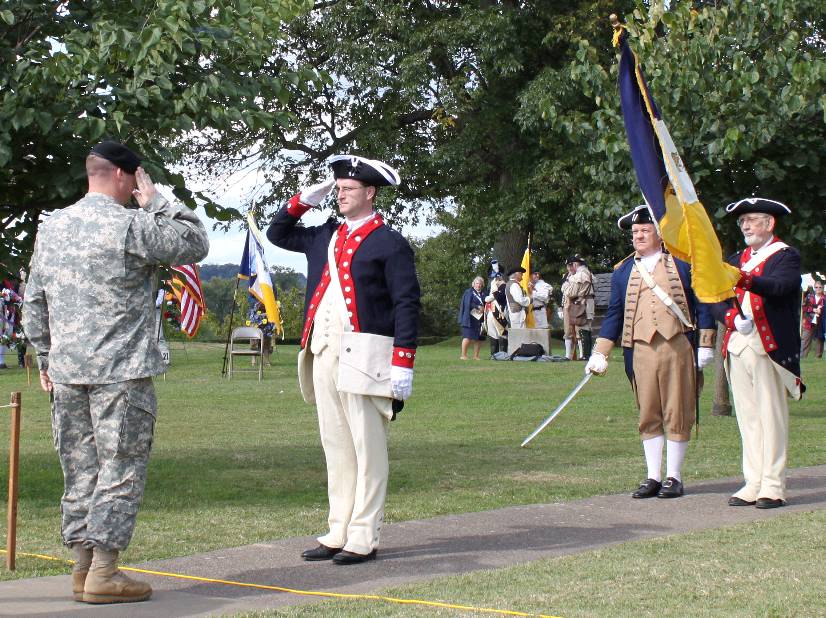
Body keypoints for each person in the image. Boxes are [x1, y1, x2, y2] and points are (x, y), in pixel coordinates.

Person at [22, 141, 209, 604]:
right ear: (127, 177)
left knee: (79, 469)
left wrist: (46, 359)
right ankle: (104, 572)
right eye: (138, 181)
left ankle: (81, 569)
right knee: (120, 469)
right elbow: (195, 243)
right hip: (119, 374)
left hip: (67, 374)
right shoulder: (132, 224)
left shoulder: (54, 227)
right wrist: (158, 202)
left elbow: (32, 303)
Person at [267, 154, 420, 565]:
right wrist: (303, 200)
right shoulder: (325, 235)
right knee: (335, 446)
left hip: (366, 356)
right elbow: (278, 232)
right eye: (337, 189)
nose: (340, 194)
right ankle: (338, 530)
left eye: (348, 189)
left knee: (368, 449)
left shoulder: (390, 243)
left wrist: (402, 361)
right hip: (322, 352)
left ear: (370, 193)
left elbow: (407, 303)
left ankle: (364, 535)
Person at [585, 206, 715, 499]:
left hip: (677, 344)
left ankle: (674, 476)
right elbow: (615, 314)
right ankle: (653, 476)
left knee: (678, 409)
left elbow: (702, 301)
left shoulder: (682, 263)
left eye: (645, 230)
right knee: (648, 411)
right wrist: (601, 351)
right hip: (640, 348)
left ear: (659, 233)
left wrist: (706, 342)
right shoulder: (624, 271)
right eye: (635, 232)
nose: (639, 236)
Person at [714, 198, 803, 509]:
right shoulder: (735, 258)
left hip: (769, 347)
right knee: (749, 419)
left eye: (752, 219)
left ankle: (773, 484)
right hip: (738, 344)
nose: (746, 226)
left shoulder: (786, 256)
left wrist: (741, 278)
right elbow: (714, 296)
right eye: (742, 222)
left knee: (770, 416)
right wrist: (731, 318)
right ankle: (753, 481)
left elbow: (779, 287)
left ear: (770, 224)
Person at [562, 255, 595, 359]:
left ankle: (584, 355)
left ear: (575, 264)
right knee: (572, 330)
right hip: (580, 303)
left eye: (571, 265)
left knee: (581, 328)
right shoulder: (588, 274)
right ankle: (581, 355)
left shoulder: (581, 275)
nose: (570, 268)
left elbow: (571, 292)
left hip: (580, 304)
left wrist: (565, 288)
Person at [458, 276, 486, 360]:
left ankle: (476, 356)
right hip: (469, 318)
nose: (478, 285)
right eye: (477, 283)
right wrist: (478, 307)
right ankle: (463, 355)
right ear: (473, 284)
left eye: (480, 284)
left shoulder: (484, 293)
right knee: (467, 337)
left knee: (478, 338)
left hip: (480, 319)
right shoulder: (469, 292)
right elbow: (467, 304)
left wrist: (483, 308)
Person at [485, 274, 509, 356]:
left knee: (502, 334)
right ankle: (493, 355)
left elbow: (500, 298)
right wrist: (490, 296)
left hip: (499, 313)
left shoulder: (504, 287)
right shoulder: (492, 289)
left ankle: (503, 355)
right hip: (490, 313)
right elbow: (486, 298)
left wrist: (491, 295)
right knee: (492, 335)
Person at [247, 299, 275, 365]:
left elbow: (273, 298)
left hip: (268, 313)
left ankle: (266, 359)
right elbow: (250, 297)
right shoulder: (253, 288)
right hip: (255, 313)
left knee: (267, 337)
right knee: (254, 337)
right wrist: (258, 304)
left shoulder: (272, 288)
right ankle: (253, 359)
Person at [801, 280, 824, 359]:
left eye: (820, 287)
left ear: (822, 288)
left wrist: (821, 310)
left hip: (820, 322)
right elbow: (803, 308)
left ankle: (818, 357)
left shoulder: (824, 298)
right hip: (808, 321)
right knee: (805, 339)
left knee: (819, 340)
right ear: (814, 288)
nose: (818, 288)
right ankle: (802, 357)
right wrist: (812, 310)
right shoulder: (809, 297)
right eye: (816, 287)